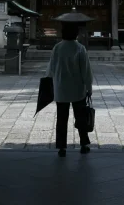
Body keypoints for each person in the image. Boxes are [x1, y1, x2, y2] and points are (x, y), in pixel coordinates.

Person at [45, 22, 93, 157]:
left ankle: (61, 147)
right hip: (78, 89)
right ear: (76, 34)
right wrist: (89, 87)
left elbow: (51, 68)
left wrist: (48, 83)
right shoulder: (80, 48)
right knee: (81, 118)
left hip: (61, 88)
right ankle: (84, 144)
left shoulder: (57, 48)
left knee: (61, 118)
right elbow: (86, 71)